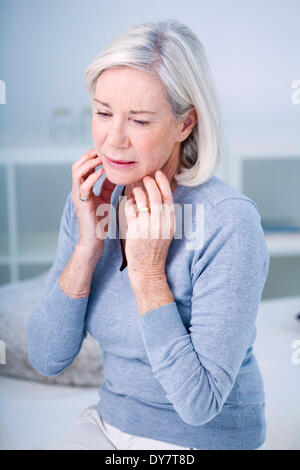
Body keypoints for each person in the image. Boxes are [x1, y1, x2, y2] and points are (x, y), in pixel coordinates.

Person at [27, 19, 269, 450]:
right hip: (107, 424)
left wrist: (148, 273)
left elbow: (201, 404)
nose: (113, 141)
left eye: (139, 120)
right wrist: (87, 246)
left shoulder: (228, 221)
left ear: (184, 124)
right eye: (102, 113)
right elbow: (47, 358)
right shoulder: (91, 201)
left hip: (200, 441)